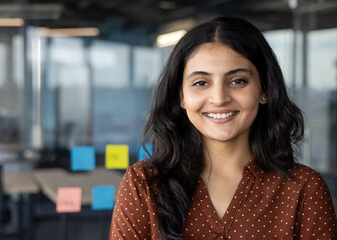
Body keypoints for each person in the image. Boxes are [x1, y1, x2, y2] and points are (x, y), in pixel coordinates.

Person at [109, 16, 336, 239]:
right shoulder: (144, 184)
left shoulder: (304, 188)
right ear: (181, 96)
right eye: (201, 83)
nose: (219, 98)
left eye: (237, 81)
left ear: (264, 90)